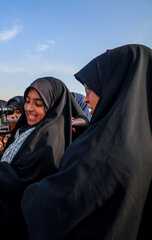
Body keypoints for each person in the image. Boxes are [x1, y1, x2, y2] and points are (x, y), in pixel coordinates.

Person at [20, 44, 152, 240]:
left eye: (90, 90)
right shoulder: (142, 141)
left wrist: (30, 195)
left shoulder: (107, 148)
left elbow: (59, 208)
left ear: (114, 86)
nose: (87, 100)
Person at [0, 77, 85, 240]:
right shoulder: (28, 129)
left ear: (52, 105)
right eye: (27, 101)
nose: (29, 108)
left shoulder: (50, 139)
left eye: (38, 104)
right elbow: (17, 165)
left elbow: (20, 184)